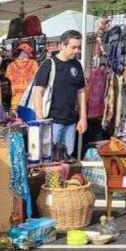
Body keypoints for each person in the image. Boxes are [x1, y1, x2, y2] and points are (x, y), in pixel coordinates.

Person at [33, 30, 87, 158]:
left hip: (70, 121)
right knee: (51, 157)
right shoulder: (49, 64)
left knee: (68, 157)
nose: (76, 51)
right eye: (73, 47)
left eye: (79, 47)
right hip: (52, 120)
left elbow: (81, 91)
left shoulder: (77, 65)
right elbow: (38, 91)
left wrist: (83, 117)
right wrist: (39, 116)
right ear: (62, 45)